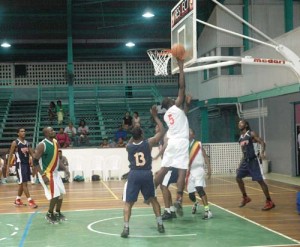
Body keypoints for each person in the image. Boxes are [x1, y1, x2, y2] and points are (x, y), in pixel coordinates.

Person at [121, 105, 165, 238]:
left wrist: (135, 131)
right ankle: (160, 224)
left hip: (134, 174)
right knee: (153, 200)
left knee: (128, 203)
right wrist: (155, 116)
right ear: (142, 134)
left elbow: (131, 141)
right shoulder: (148, 143)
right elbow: (162, 131)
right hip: (146, 174)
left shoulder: (128, 147)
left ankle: (126, 228)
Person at [154, 58, 189, 216]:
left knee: (164, 169)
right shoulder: (176, 106)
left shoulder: (168, 116)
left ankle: (151, 190)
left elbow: (184, 116)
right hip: (182, 142)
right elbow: (182, 86)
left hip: (173, 141)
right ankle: (179, 198)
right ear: (169, 103)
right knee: (182, 171)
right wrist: (181, 68)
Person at [236, 119, 275, 210]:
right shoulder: (240, 138)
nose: (239, 124)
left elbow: (262, 142)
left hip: (253, 161)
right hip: (245, 161)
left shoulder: (251, 134)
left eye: (241, 123)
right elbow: (244, 153)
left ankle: (269, 201)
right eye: (238, 123)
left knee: (260, 181)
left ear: (246, 125)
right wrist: (240, 165)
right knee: (238, 177)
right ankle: (245, 197)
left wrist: (262, 152)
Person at [33, 127, 67, 224]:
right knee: (54, 195)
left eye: (53, 130)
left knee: (60, 194)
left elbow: (57, 159)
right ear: (46, 133)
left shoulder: (55, 142)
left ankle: (58, 212)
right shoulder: (42, 145)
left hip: (55, 173)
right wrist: (42, 175)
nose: (54, 131)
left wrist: (64, 168)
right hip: (47, 173)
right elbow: (35, 161)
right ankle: (49, 213)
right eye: (51, 131)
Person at [7, 128, 37, 208]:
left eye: (24, 131)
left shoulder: (27, 143)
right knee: (24, 184)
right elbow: (10, 154)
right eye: (21, 131)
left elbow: (32, 154)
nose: (24, 132)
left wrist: (37, 160)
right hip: (20, 165)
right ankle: (30, 201)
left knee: (21, 183)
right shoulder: (15, 142)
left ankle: (17, 200)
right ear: (18, 133)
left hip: (26, 164)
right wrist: (8, 167)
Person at [187, 128, 212, 219]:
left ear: (193, 135)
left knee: (199, 188)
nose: (188, 134)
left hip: (198, 170)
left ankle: (207, 210)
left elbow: (205, 156)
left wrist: (209, 168)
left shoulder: (198, 144)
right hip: (189, 171)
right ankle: (195, 203)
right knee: (191, 195)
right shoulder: (184, 146)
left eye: (190, 132)